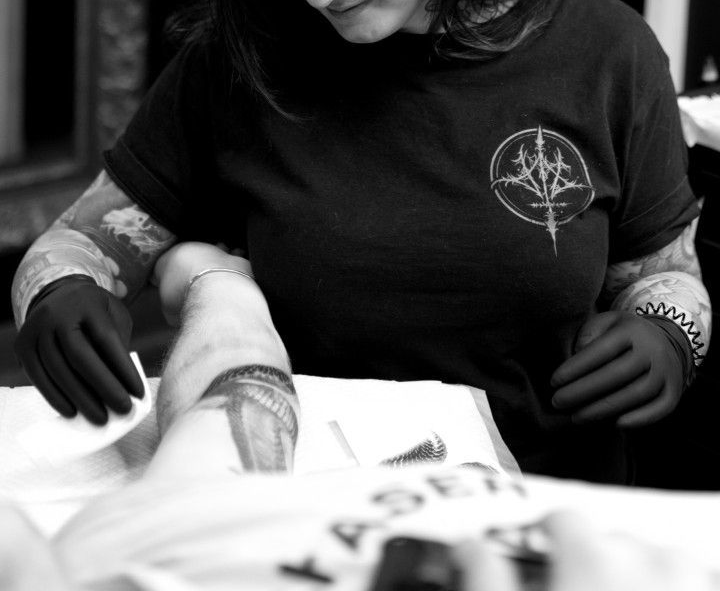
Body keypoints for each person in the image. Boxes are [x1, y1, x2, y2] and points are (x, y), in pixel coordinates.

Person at [11, 0, 712, 484]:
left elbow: (662, 273)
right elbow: (76, 242)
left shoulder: (606, 52)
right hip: (317, 508)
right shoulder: (239, 59)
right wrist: (60, 287)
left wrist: (666, 331)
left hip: (545, 506)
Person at [3, 242, 717, 591]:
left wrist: (204, 280)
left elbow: (242, 389)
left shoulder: (138, 552)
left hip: (196, 513)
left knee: (237, 367)